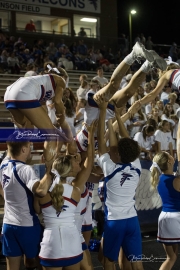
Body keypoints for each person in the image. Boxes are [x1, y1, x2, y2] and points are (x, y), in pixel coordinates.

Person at [76, 42, 167, 153]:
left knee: (113, 86)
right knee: (129, 93)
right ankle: (148, 65)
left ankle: (133, 53)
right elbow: (109, 130)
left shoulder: (73, 150)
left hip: (92, 113)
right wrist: (124, 114)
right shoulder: (97, 152)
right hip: (104, 118)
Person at [95, 95, 144, 270]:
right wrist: (116, 116)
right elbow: (126, 141)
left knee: (109, 260)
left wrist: (103, 112)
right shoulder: (137, 165)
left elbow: (101, 142)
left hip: (114, 221)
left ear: (118, 155)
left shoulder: (110, 168)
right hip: (132, 220)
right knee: (137, 262)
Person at [0, 139, 53, 270]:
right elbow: (41, 190)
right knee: (42, 262)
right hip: (27, 225)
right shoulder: (25, 170)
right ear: (23, 149)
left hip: (8, 225)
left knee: (12, 267)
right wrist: (49, 171)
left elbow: (11, 146)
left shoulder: (4, 164)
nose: (31, 150)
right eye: (29, 147)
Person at [4, 66, 74, 161]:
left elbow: (43, 119)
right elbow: (58, 102)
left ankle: (12, 162)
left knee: (26, 132)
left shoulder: (42, 83)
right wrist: (61, 115)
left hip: (9, 94)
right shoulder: (60, 80)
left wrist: (60, 133)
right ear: (63, 76)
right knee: (50, 135)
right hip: (24, 93)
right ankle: (50, 172)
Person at [150, 132, 180, 269]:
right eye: (169, 154)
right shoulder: (176, 180)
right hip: (177, 218)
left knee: (171, 257)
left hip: (164, 218)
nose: (171, 154)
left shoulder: (159, 179)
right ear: (169, 161)